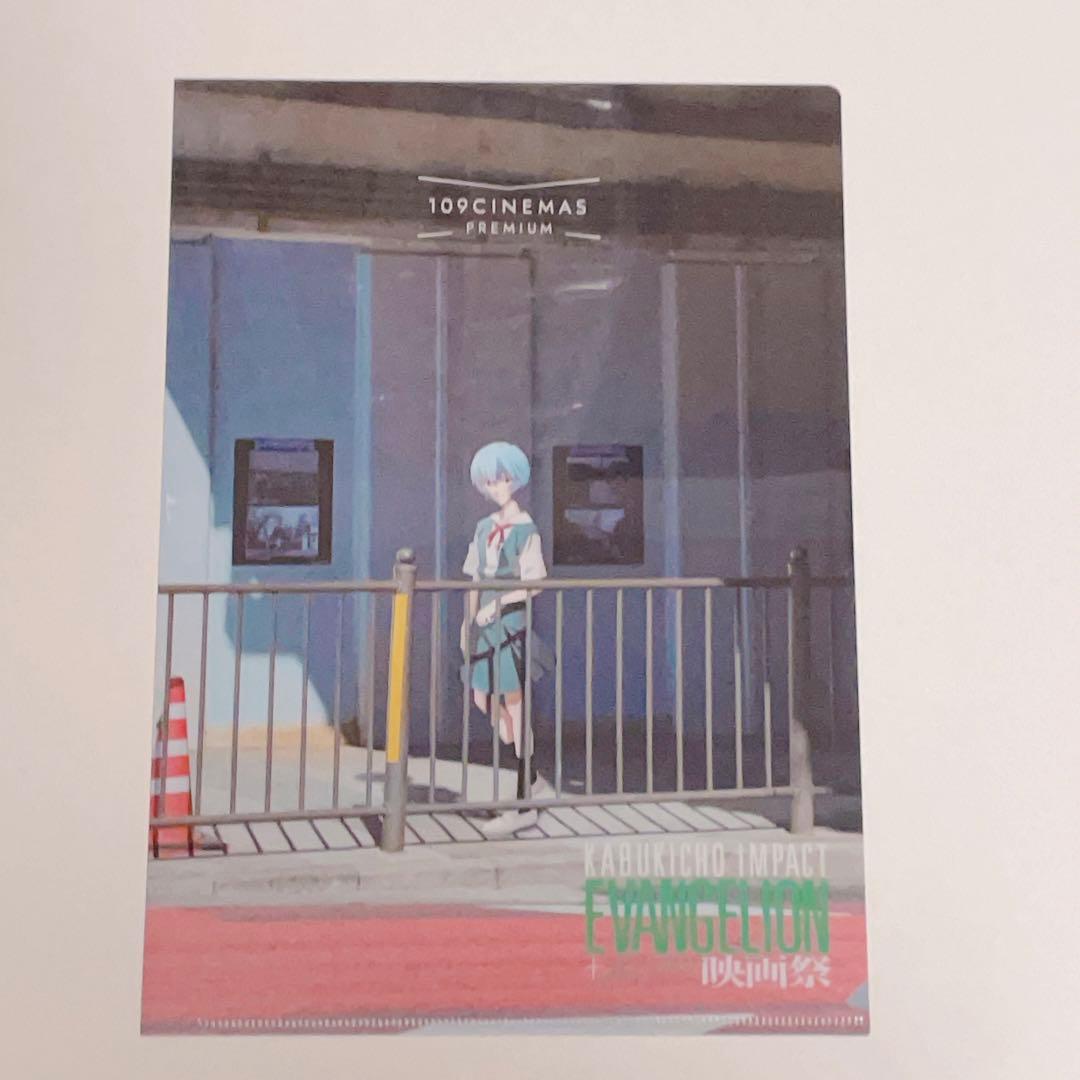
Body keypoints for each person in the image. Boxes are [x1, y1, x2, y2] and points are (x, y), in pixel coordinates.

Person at [460, 441, 555, 837]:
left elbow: (535, 582)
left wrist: (499, 606)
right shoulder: (484, 527)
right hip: (484, 626)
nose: (497, 487)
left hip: (510, 622)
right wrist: (467, 623)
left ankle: (524, 798)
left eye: (502, 479)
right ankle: (532, 780)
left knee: (515, 708)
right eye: (490, 481)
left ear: (514, 480)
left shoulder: (526, 529)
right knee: (484, 699)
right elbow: (474, 578)